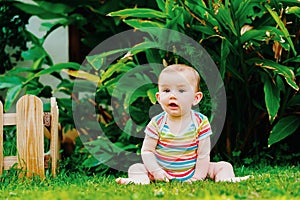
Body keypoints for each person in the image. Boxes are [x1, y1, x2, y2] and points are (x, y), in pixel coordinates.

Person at [116, 64, 250, 185]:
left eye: (181, 91)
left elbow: (203, 155)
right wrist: (156, 171)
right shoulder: (157, 123)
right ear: (159, 97)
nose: (172, 96)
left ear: (195, 98)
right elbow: (147, 151)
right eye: (167, 91)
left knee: (224, 166)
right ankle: (139, 181)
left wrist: (197, 177)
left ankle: (226, 179)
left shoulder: (200, 122)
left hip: (192, 169)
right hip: (162, 171)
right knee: (136, 168)